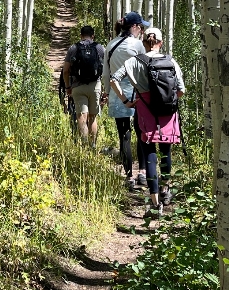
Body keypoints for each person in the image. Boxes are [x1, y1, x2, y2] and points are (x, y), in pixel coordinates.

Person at [110, 27, 185, 218]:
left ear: (144, 43)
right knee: (166, 151)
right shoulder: (171, 61)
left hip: (145, 111)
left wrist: (126, 101)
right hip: (168, 112)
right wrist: (168, 100)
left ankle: (154, 203)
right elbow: (181, 90)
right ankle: (166, 189)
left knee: (149, 152)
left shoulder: (134, 61)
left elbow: (113, 80)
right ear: (160, 42)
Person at [101, 12, 148, 189]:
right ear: (134, 27)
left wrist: (106, 92)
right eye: (141, 27)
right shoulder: (137, 45)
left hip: (117, 93)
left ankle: (129, 175)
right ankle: (142, 172)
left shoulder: (110, 45)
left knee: (124, 136)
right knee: (141, 132)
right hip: (138, 93)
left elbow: (106, 73)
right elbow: (145, 69)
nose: (141, 31)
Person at [62, 25, 105, 146]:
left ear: (81, 36)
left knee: (81, 115)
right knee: (92, 117)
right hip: (95, 85)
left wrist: (67, 87)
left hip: (77, 86)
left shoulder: (74, 48)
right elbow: (107, 68)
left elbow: (65, 70)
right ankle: (93, 145)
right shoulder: (99, 48)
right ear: (93, 36)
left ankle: (84, 145)